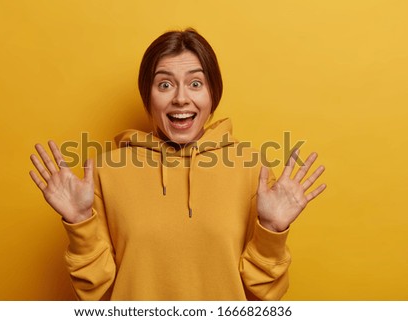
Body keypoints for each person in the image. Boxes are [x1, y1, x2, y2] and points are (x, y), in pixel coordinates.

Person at [29, 28, 326, 300]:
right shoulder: (107, 171)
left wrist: (272, 228)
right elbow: (95, 290)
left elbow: (265, 293)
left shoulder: (252, 170)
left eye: (196, 83)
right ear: (148, 95)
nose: (181, 98)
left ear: (213, 94)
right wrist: (80, 221)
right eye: (165, 84)